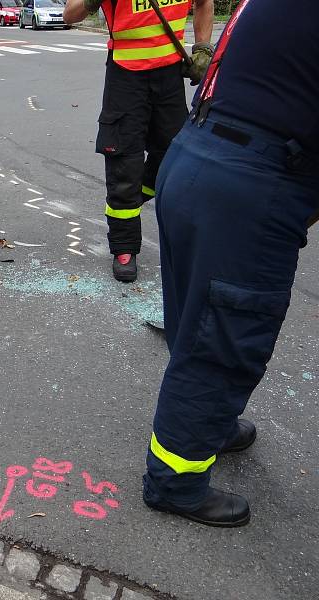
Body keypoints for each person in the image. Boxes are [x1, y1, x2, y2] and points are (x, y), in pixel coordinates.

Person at [143, 0, 319, 527]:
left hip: (198, 155)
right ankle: (176, 483)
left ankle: (208, 425)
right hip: (250, 181)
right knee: (222, 340)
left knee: (196, 317)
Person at [63, 0, 214, 282]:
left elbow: (204, 3)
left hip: (169, 77)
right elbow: (70, 15)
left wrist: (203, 48)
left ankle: (136, 195)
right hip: (126, 77)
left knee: (177, 159)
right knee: (123, 162)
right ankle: (124, 247)